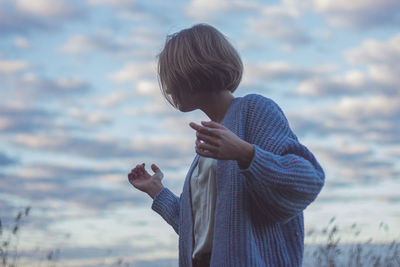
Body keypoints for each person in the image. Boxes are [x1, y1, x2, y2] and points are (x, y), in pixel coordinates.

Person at [128, 23, 325, 267]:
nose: (167, 87)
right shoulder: (211, 143)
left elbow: (308, 180)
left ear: (194, 69)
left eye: (171, 74)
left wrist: (246, 154)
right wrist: (156, 191)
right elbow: (202, 232)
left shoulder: (254, 111)